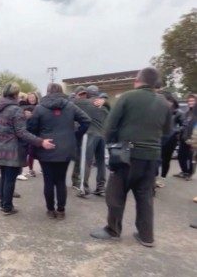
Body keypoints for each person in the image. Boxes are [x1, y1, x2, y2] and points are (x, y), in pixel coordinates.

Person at [90, 67, 172, 247]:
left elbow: (110, 126)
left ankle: (113, 230)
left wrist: (112, 145)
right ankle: (146, 236)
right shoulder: (165, 103)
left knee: (115, 194)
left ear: (137, 80)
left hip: (127, 155)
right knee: (145, 196)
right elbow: (167, 132)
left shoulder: (128, 97)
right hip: (151, 157)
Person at [0, 82, 55, 215]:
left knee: (3, 176)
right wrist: (40, 142)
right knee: (10, 178)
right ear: (15, 94)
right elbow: (22, 133)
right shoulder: (15, 109)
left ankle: (3, 203)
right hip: (12, 149)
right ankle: (7, 207)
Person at [28, 83, 91, 219]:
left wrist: (40, 139)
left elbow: (31, 129)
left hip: (46, 148)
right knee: (61, 180)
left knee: (48, 181)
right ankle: (61, 210)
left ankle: (50, 210)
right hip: (65, 149)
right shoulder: (70, 106)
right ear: (62, 92)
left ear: (47, 92)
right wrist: (75, 135)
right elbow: (86, 120)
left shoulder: (39, 108)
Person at [71, 85, 109, 196]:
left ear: (87, 94)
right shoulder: (104, 107)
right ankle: (101, 187)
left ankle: (84, 188)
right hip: (102, 136)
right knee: (101, 162)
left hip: (90, 134)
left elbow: (70, 103)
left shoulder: (83, 103)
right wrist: (105, 102)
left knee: (86, 161)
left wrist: (76, 95)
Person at [155, 91, 184, 188]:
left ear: (172, 101)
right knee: (157, 158)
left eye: (169, 101)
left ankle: (162, 178)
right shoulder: (161, 111)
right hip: (160, 137)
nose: (168, 103)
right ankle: (154, 177)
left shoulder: (178, 112)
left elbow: (184, 125)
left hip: (171, 139)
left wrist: (175, 131)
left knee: (166, 160)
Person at [17, 92, 40, 180]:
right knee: (27, 152)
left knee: (36, 151)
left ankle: (41, 168)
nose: (31, 99)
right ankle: (29, 170)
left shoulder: (40, 107)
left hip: (37, 132)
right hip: (26, 132)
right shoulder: (23, 107)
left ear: (36, 98)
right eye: (30, 97)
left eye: (33, 97)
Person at [174, 94, 196, 181]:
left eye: (193, 101)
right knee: (180, 156)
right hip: (184, 138)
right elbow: (185, 125)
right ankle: (184, 171)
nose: (190, 102)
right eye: (189, 101)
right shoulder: (187, 113)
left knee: (190, 158)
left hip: (193, 140)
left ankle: (189, 174)